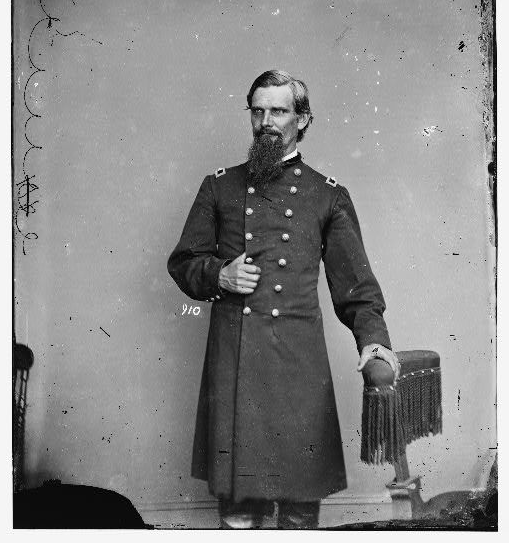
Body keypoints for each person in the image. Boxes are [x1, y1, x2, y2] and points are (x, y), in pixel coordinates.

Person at [167, 70, 400, 529]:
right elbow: (183, 263)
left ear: (303, 119)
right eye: (258, 111)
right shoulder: (219, 186)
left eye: (278, 111)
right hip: (235, 360)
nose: (266, 122)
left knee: (299, 510)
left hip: (298, 365)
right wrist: (219, 274)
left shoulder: (327, 194)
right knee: (239, 508)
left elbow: (356, 288)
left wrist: (374, 343)